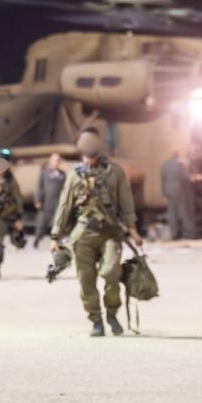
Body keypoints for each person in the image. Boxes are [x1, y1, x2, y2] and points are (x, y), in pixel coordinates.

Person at [50, 127, 142, 337]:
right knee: (85, 280)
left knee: (111, 273)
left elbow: (126, 203)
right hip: (83, 233)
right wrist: (55, 235)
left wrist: (133, 230)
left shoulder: (115, 172)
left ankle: (111, 312)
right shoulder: (74, 175)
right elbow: (65, 205)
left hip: (110, 231)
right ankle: (96, 320)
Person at [160, 151, 197, 239]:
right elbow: (185, 177)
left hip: (168, 190)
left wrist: (163, 193)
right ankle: (190, 234)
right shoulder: (180, 164)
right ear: (177, 156)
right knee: (184, 212)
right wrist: (195, 177)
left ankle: (174, 234)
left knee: (172, 214)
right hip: (179, 190)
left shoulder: (164, 165)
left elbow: (162, 180)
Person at [33, 152, 66, 248]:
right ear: (50, 161)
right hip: (46, 202)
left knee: (58, 222)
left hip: (58, 202)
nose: (57, 162)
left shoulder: (62, 174)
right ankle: (37, 239)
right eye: (55, 160)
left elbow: (65, 188)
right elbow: (39, 186)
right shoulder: (45, 172)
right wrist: (37, 200)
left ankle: (57, 240)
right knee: (42, 222)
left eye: (58, 160)